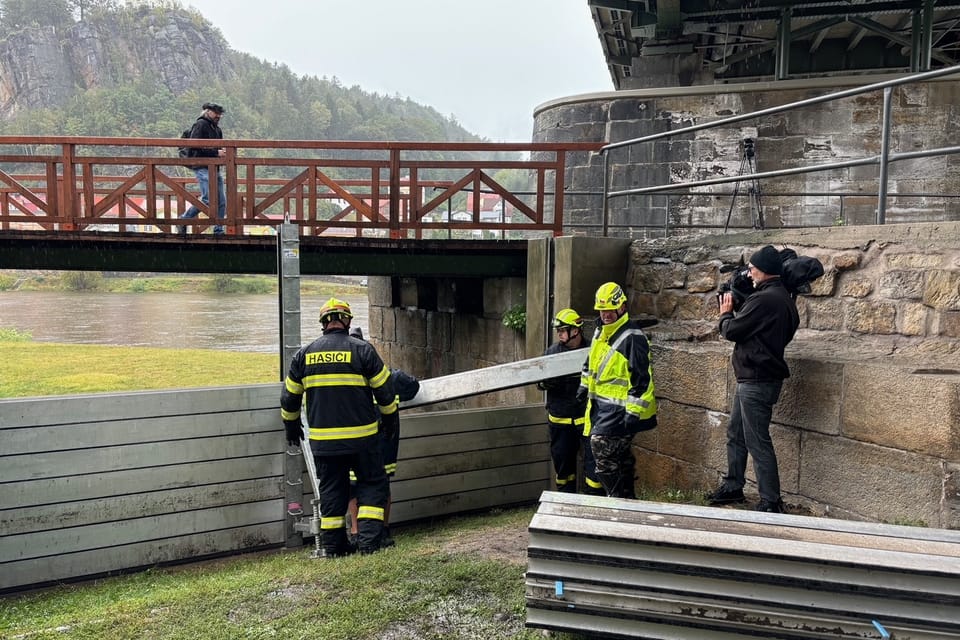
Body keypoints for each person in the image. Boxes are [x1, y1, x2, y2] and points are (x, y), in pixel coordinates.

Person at [281, 298, 398, 556]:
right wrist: (390, 420)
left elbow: (289, 398)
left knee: (332, 492)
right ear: (347, 321)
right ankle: (369, 543)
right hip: (363, 440)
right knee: (371, 485)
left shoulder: (303, 355)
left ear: (323, 323)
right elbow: (385, 392)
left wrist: (290, 425)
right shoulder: (362, 350)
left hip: (324, 444)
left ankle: (334, 547)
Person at [707, 245, 800, 513]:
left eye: (753, 268)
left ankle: (771, 501)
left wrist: (725, 313)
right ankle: (733, 485)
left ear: (765, 270)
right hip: (753, 378)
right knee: (736, 432)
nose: (750, 273)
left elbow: (733, 330)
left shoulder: (765, 300)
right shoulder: (783, 298)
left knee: (757, 440)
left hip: (757, 381)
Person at [579, 282, 657, 499]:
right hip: (600, 406)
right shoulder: (600, 332)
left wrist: (633, 411)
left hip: (620, 409)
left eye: (609, 310)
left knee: (601, 448)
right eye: (602, 310)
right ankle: (627, 498)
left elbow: (642, 379)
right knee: (619, 456)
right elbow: (591, 363)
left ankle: (616, 497)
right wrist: (583, 386)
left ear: (621, 307)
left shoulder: (632, 337)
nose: (605, 315)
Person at [345, 326, 420, 547]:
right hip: (385, 446)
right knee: (382, 488)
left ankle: (357, 532)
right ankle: (383, 531)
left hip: (355, 443)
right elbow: (413, 386)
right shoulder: (390, 376)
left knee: (353, 487)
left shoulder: (346, 382)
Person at [539, 308, 604, 495]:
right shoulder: (552, 353)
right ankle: (566, 505)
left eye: (562, 330)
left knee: (593, 470)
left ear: (575, 330)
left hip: (586, 421)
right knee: (564, 471)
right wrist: (547, 382)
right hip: (560, 422)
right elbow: (539, 383)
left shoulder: (592, 350)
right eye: (558, 331)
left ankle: (593, 506)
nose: (559, 334)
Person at [178, 102, 227, 236]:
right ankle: (184, 219)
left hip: (214, 168)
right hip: (202, 166)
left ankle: (219, 229)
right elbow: (195, 146)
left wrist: (221, 154)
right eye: (216, 112)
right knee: (208, 199)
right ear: (207, 112)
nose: (218, 116)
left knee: (221, 201)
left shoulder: (217, 129)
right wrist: (216, 153)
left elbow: (218, 147)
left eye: (220, 114)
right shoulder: (200, 124)